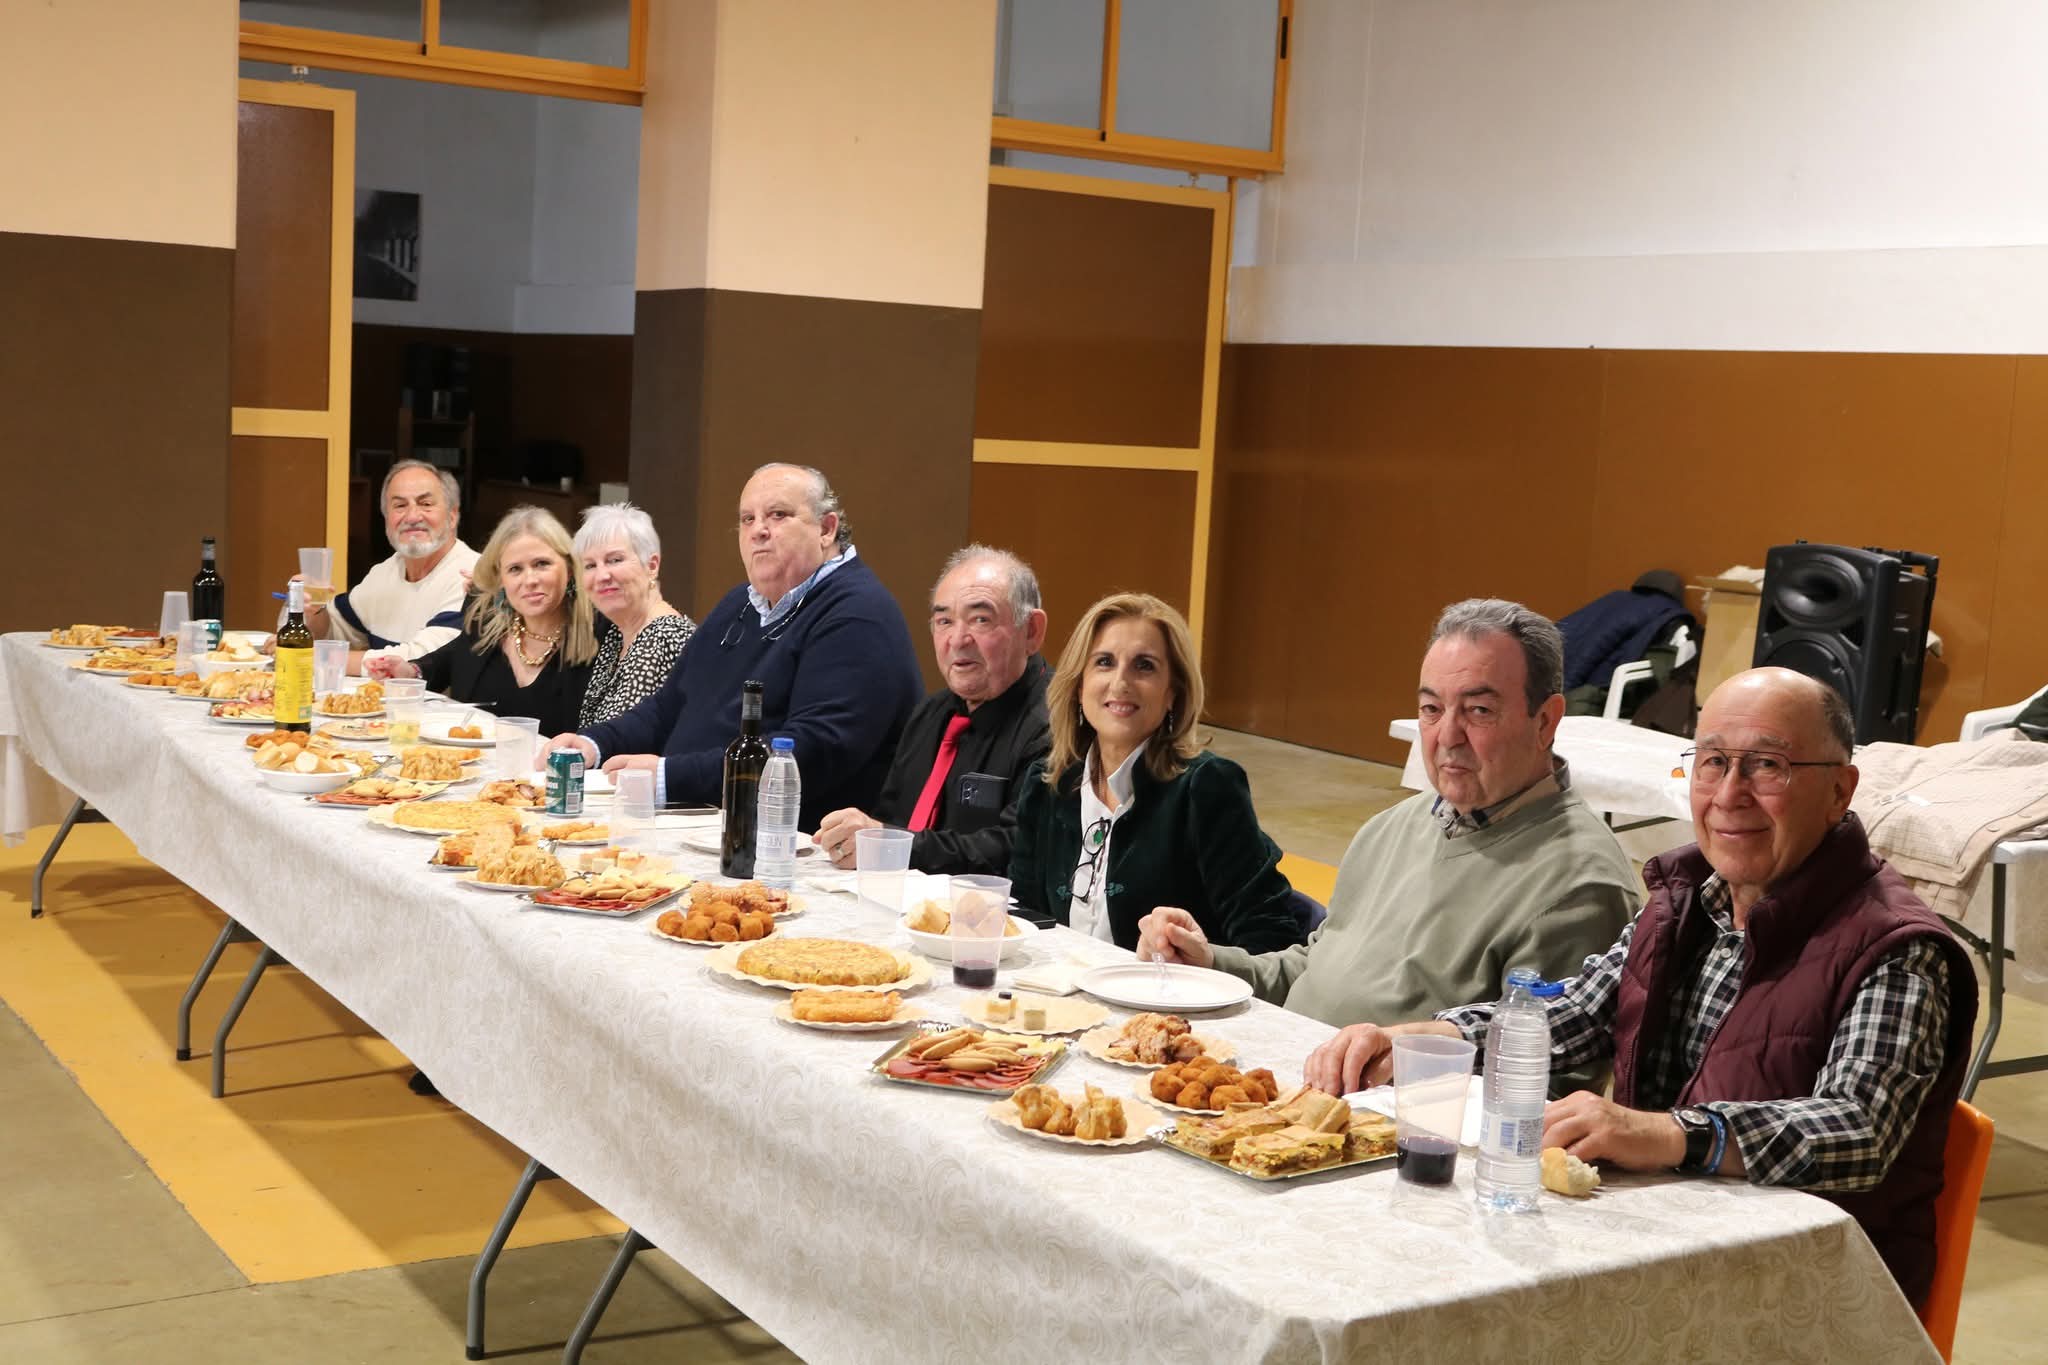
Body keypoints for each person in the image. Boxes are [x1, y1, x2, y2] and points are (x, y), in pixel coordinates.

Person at [1304, 667, 1977, 1311]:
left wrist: (1669, 1133)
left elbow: (1857, 1127)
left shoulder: (1897, 947)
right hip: (1664, 1255)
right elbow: (1577, 1009)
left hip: (1804, 1292)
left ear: (1840, 789)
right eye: (1711, 762)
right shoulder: (1687, 902)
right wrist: (1429, 1035)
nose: (1730, 793)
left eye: (1767, 765)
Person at [1137, 598, 1638, 1029]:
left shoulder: (1577, 885)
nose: (1447, 736)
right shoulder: (1395, 827)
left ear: (1545, 720)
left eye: (1479, 711)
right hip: (1289, 1079)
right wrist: (1208, 962)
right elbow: (1313, 970)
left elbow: (1530, 1092)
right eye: (1432, 709)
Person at [550, 464, 920, 828]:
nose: (758, 531)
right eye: (747, 519)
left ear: (826, 529)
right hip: (700, 822)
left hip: (795, 850)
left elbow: (812, 750)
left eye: (778, 515)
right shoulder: (740, 604)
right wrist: (594, 744)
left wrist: (668, 776)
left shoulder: (857, 614)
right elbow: (670, 706)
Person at [1009, 592, 1304, 955]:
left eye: (1144, 666)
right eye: (1104, 662)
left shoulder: (1206, 787)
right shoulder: (1048, 783)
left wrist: (1200, 959)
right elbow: (1023, 921)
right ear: (1078, 686)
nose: (1121, 682)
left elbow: (1270, 940)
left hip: (1171, 1004)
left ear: (1172, 695)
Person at [814, 546, 1051, 875]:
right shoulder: (931, 713)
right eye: (944, 621)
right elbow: (892, 818)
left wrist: (892, 847)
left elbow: (1015, 847)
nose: (957, 639)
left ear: (1031, 631)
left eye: (981, 619)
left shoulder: (1057, 723)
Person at [368, 506, 596, 736]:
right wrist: (412, 671)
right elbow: (457, 653)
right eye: (515, 569)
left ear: (569, 567)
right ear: (500, 578)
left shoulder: (600, 633)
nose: (530, 580)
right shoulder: (485, 618)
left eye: (542, 564)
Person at [300, 460, 479, 675]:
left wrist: (311, 657)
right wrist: (313, 609)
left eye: (426, 504)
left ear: (452, 515)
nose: (413, 517)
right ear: (386, 518)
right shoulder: (384, 572)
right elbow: (334, 632)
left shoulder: (473, 575)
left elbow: (419, 658)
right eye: (400, 506)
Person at [574, 502, 696, 728]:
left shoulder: (665, 637)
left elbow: (623, 741)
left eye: (615, 560)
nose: (601, 575)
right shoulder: (617, 633)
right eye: (590, 565)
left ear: (652, 565)